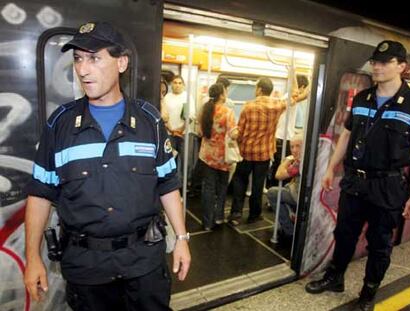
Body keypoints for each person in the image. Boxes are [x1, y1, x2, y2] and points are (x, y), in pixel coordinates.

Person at [23, 21, 191, 311]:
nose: (83, 69)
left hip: (144, 262)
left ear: (122, 63)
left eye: (94, 58)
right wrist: (33, 257)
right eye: (78, 59)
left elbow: (167, 184)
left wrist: (182, 239)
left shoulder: (149, 121)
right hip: (87, 269)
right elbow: (39, 193)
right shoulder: (59, 124)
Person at [305, 40, 410, 311]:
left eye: (384, 62)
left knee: (379, 244)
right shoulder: (364, 97)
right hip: (355, 181)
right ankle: (335, 277)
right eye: (375, 61)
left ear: (401, 66)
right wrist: (331, 167)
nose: (376, 67)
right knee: (344, 234)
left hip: (387, 185)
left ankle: (368, 292)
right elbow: (348, 134)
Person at [228, 77, 286, 225]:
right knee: (258, 185)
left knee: (240, 181)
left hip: (246, 151)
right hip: (264, 153)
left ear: (259, 89)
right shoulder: (277, 105)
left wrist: (236, 138)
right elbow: (295, 97)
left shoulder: (248, 106)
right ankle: (254, 214)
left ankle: (236, 214)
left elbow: (240, 130)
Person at [198, 83, 238, 230]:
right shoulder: (227, 112)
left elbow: (200, 132)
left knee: (208, 188)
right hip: (223, 157)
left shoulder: (205, 110)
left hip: (207, 155)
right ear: (222, 95)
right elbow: (233, 133)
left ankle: (207, 223)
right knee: (222, 188)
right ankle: (219, 217)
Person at [267, 75, 309, 188]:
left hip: (279, 137)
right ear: (301, 87)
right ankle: (277, 195)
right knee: (283, 169)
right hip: (283, 138)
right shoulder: (290, 97)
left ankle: (273, 192)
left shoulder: (284, 97)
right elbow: (305, 95)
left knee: (277, 167)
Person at [266, 134, 302, 242]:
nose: (294, 150)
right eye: (292, 147)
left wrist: (287, 160)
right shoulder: (302, 159)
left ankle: (289, 231)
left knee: (272, 193)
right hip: (298, 192)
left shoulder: (299, 163)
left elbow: (278, 175)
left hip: (298, 196)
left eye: (298, 146)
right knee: (286, 187)